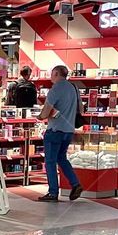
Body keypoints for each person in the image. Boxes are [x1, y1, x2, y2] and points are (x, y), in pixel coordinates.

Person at [38, 64, 82, 203]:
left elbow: (45, 112)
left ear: (56, 74)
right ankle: (75, 184)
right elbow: (81, 108)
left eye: (52, 74)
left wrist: (39, 116)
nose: (51, 77)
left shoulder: (55, 90)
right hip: (68, 130)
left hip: (55, 130)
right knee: (62, 158)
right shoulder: (74, 88)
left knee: (50, 161)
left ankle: (53, 192)